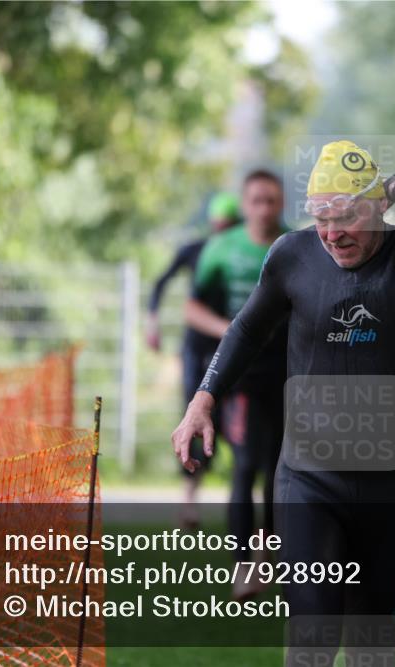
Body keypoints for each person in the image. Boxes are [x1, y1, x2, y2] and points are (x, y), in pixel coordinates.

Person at [171, 139, 395, 663]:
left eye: (346, 216)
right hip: (309, 481)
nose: (332, 234)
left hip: (391, 489)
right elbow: (247, 329)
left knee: (373, 653)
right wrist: (204, 397)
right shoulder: (293, 255)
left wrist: (390, 184)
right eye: (321, 218)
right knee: (312, 641)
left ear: (377, 207)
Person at [184, 170, 288, 601]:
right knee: (245, 465)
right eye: (257, 200)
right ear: (245, 204)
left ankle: (271, 557)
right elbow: (192, 308)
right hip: (242, 375)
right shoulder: (222, 248)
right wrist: (230, 331)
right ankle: (243, 564)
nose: (264, 208)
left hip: (289, 375)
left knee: (282, 472)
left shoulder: (294, 245)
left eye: (271, 200)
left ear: (282, 204)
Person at [146, 192, 241, 529]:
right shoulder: (196, 250)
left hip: (234, 347)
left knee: (233, 424)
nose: (222, 231)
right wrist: (152, 321)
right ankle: (189, 501)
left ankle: (240, 499)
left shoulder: (242, 253)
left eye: (229, 226)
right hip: (197, 347)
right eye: (219, 225)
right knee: (193, 415)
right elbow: (161, 282)